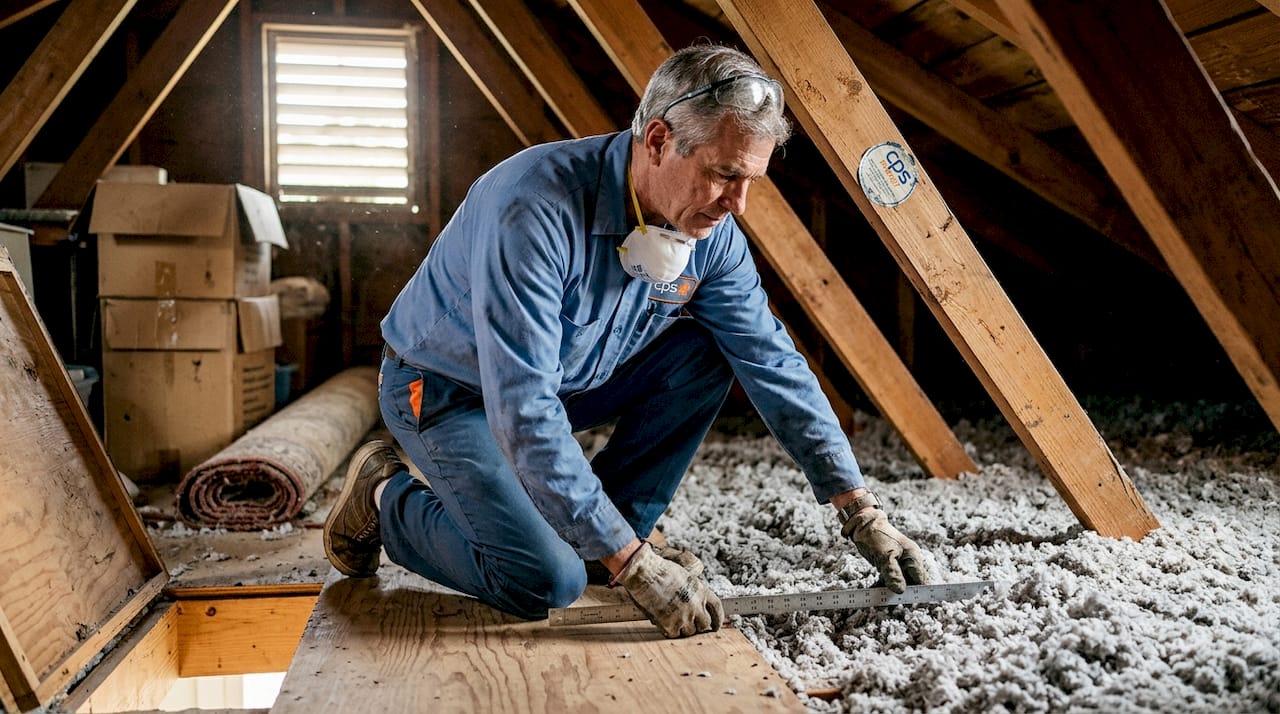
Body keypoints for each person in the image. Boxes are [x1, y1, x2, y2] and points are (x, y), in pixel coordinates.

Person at [324, 42, 929, 639]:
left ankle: (607, 542)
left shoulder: (710, 234)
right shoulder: (534, 207)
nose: (737, 205)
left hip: (564, 382)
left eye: (751, 180)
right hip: (449, 391)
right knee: (542, 581)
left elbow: (770, 359)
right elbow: (523, 409)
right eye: (723, 175)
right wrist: (637, 568)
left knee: (705, 353)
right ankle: (384, 500)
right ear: (660, 140)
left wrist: (858, 508)